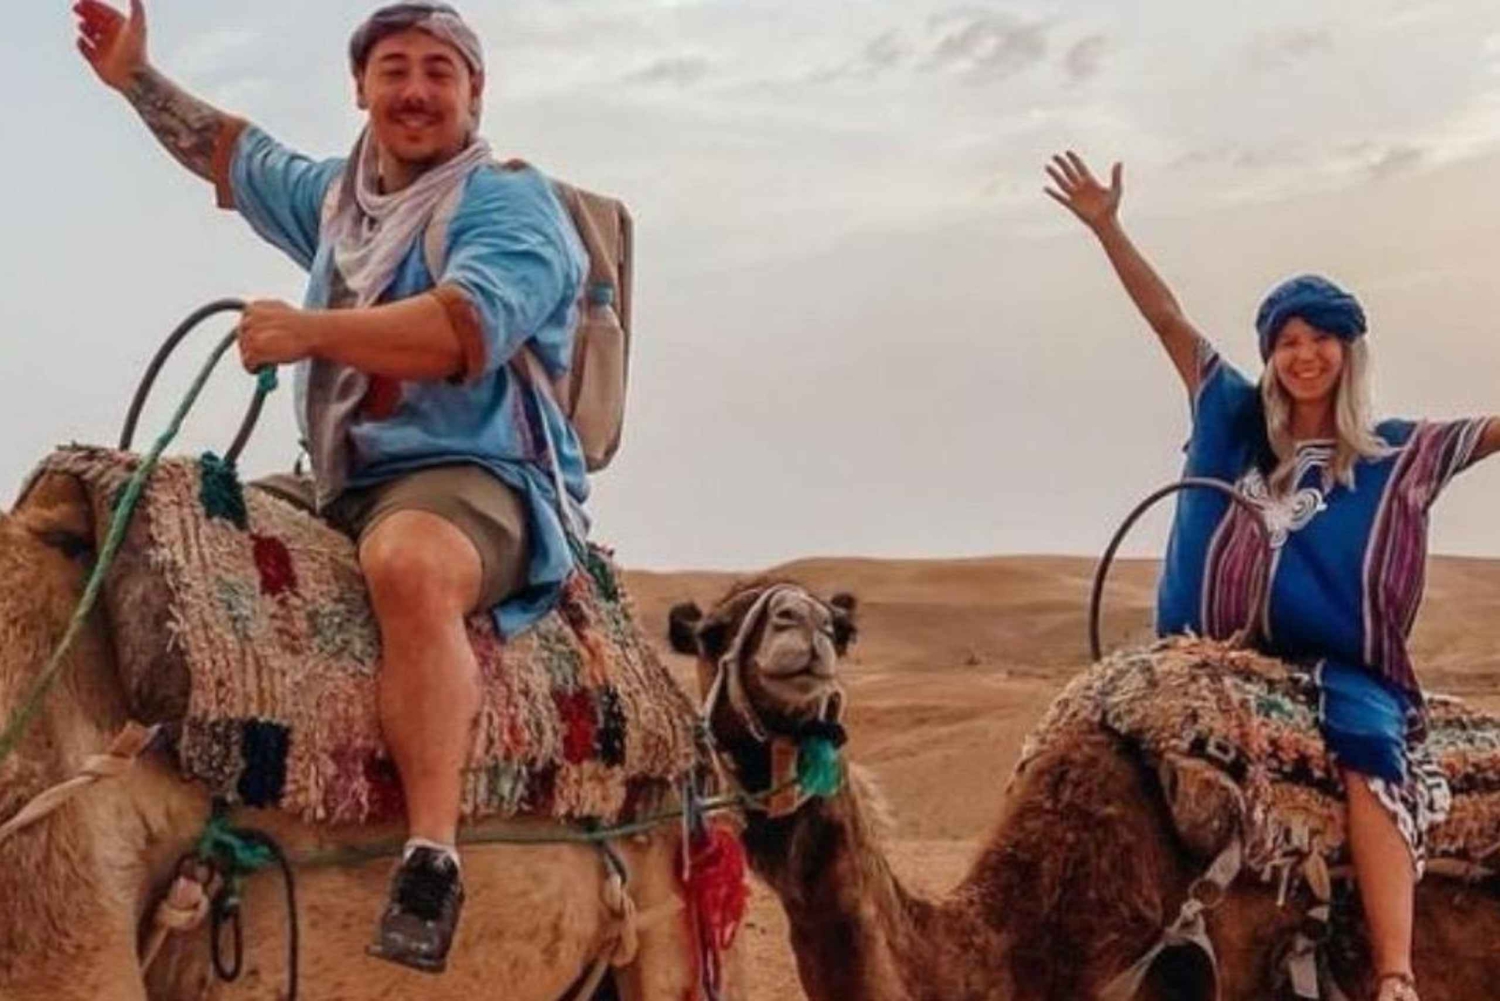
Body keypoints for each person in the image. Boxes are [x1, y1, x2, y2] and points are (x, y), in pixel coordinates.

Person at [75, 0, 589, 973]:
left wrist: (309, 333)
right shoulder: (339, 202)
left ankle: (431, 855)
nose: (416, 90)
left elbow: (461, 330)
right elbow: (231, 153)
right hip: (341, 478)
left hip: (476, 471)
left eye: (439, 70)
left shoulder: (511, 206)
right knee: (159, 519)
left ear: (475, 93)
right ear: (361, 88)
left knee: (408, 564)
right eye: (394, 68)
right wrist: (136, 77)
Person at [1046, 150, 1500, 1001]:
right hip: (1205, 652)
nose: (1304, 355)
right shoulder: (1230, 419)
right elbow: (1167, 319)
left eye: (1320, 338)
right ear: (1270, 355)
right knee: (1085, 747)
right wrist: (1108, 228)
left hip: (1342, 665)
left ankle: (1395, 974)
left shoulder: (1398, 452)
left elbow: (1492, 430)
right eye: (1288, 341)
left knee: (1369, 752)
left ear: (1348, 352)